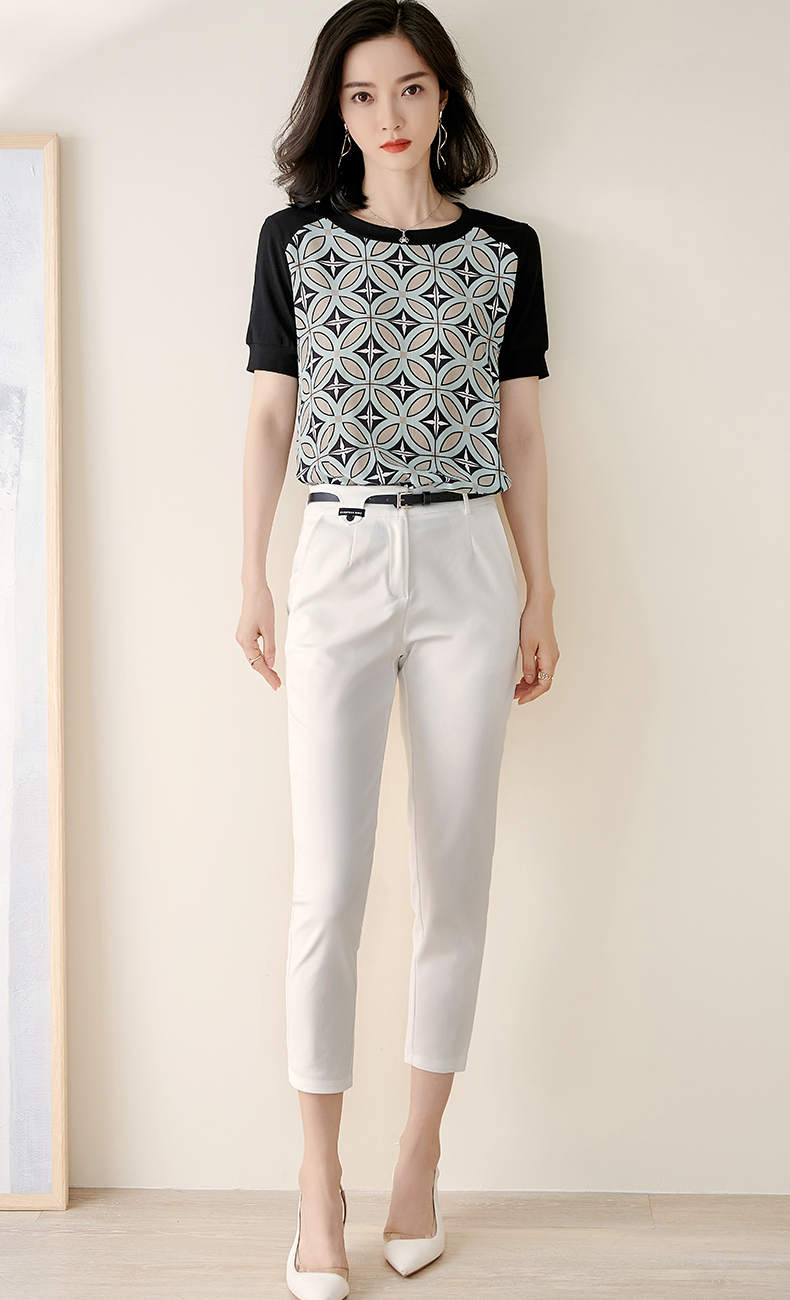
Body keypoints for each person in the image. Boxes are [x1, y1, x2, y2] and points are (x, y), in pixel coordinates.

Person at [236, 1, 559, 1295]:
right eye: (363, 94)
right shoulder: (295, 243)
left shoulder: (507, 251)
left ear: (444, 99)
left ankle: (419, 1154)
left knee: (453, 879)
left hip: (469, 560)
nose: (389, 115)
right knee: (327, 889)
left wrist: (541, 594)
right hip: (338, 555)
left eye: (411, 88)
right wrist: (250, 573)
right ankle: (317, 1179)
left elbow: (521, 430)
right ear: (338, 109)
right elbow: (270, 417)